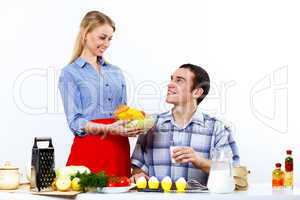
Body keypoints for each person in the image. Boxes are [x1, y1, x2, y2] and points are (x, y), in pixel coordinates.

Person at [59, 10, 141, 177]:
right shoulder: (70, 73)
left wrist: (133, 123)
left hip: (118, 148)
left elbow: (122, 112)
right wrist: (108, 128)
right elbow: (75, 122)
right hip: (91, 148)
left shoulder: (116, 72)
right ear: (85, 34)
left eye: (110, 39)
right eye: (102, 37)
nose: (107, 43)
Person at [131, 64, 240, 185]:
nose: (170, 84)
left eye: (179, 80)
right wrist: (137, 175)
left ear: (197, 92)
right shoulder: (150, 124)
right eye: (172, 79)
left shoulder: (218, 129)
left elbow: (232, 171)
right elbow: (137, 167)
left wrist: (199, 161)